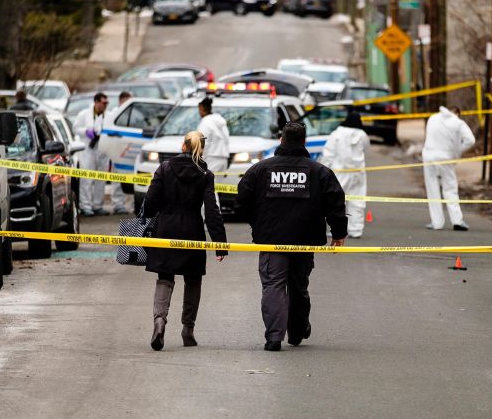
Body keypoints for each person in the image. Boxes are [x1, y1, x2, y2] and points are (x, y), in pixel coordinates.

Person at [236, 122, 347, 352]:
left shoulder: (260, 170)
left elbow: (242, 200)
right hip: (305, 240)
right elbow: (335, 202)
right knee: (298, 286)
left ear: (281, 140)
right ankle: (296, 331)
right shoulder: (319, 172)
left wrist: (257, 224)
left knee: (273, 285)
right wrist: (339, 233)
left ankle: (274, 338)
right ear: (304, 142)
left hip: (271, 240)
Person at [144, 131, 228, 351]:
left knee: (165, 277)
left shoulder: (164, 168)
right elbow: (212, 210)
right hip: (192, 230)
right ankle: (187, 329)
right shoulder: (205, 174)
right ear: (202, 149)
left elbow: (150, 202)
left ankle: (159, 320)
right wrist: (220, 244)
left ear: (183, 146)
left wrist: (149, 218)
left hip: (165, 229)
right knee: (193, 279)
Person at [422, 106, 475, 231]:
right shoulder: (458, 123)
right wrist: (457, 151)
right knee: (450, 188)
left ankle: (436, 222)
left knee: (432, 189)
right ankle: (457, 220)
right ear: (457, 113)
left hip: (428, 156)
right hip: (446, 158)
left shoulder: (433, 118)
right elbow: (470, 140)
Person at [320, 111, 370, 238]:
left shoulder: (336, 134)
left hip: (339, 173)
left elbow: (328, 154)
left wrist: (323, 171)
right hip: (358, 173)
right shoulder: (362, 134)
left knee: (336, 201)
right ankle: (356, 230)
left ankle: (336, 229)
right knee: (357, 200)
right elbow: (366, 148)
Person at [73, 92, 110, 217]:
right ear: (96, 102)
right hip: (88, 151)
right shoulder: (84, 114)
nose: (105, 105)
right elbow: (75, 128)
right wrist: (86, 131)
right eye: (103, 103)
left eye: (106, 103)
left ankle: (97, 205)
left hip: (102, 151)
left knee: (101, 179)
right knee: (86, 179)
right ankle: (85, 206)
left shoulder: (109, 116)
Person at [107, 91, 133, 214]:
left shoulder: (133, 114)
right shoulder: (113, 114)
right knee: (117, 178)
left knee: (134, 178)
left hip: (131, 151)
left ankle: (134, 205)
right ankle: (118, 204)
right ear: (121, 101)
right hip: (117, 152)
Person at [197, 97, 230, 174]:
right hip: (223, 159)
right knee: (218, 181)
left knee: (208, 181)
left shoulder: (205, 123)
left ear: (201, 108)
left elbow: (203, 143)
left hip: (210, 160)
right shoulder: (220, 122)